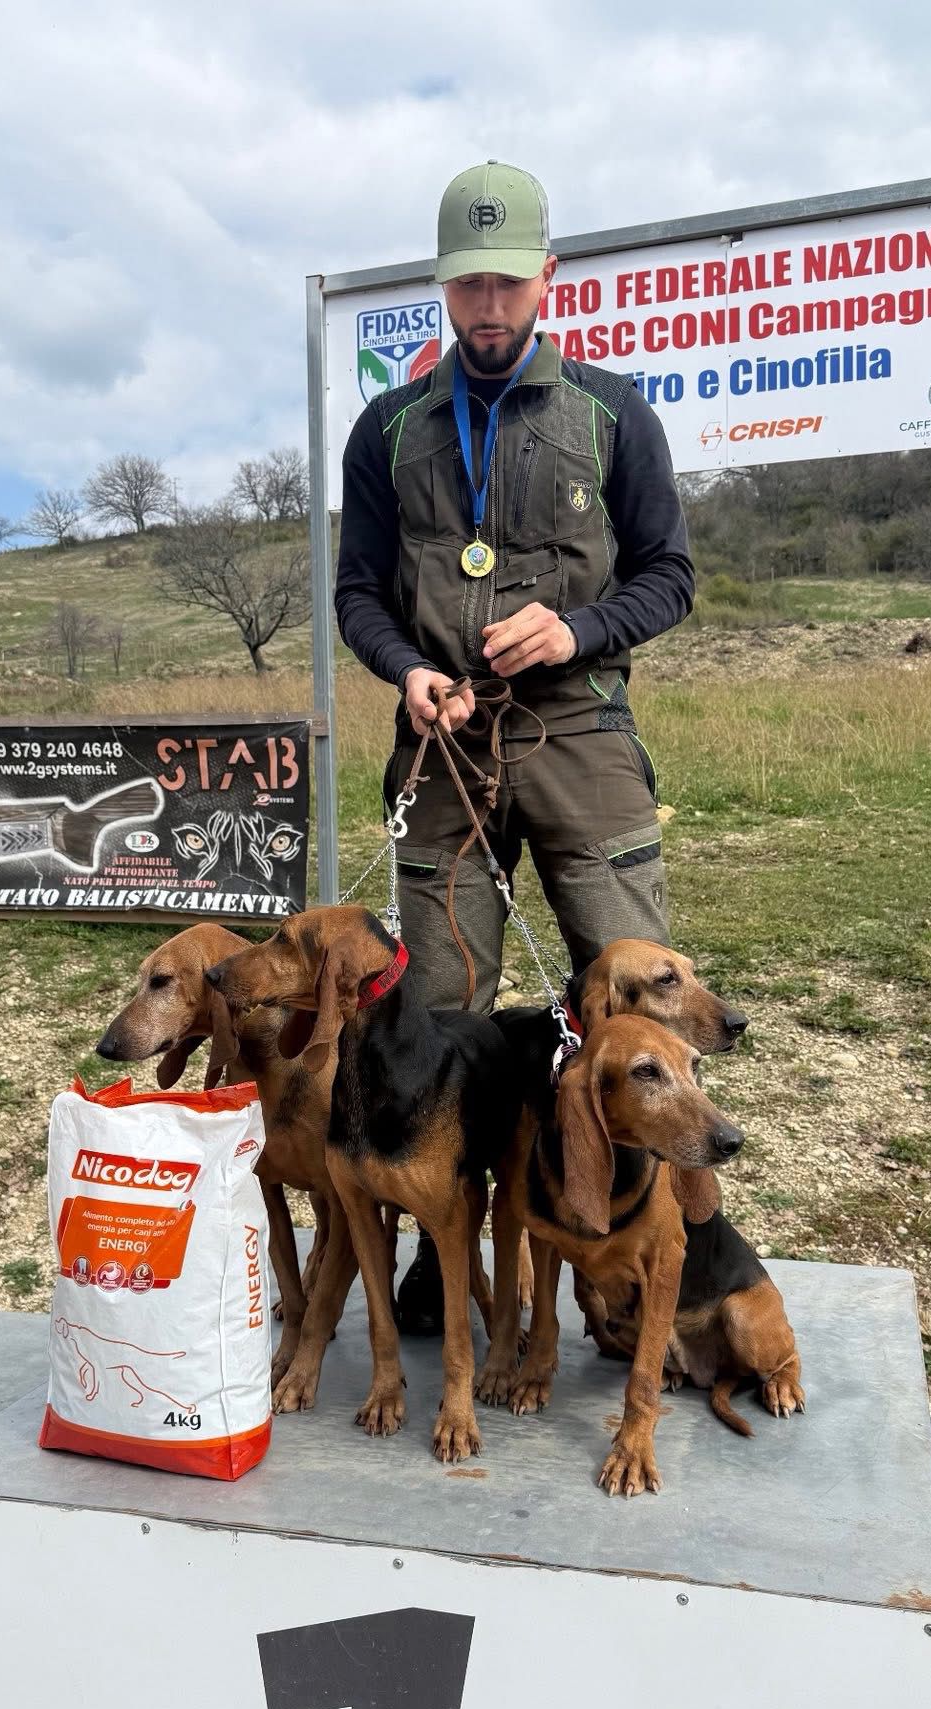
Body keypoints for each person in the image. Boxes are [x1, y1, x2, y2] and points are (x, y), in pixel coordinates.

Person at [335, 160, 695, 1331]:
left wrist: (581, 626)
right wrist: (407, 670)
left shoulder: (611, 413)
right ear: (439, 288)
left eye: (504, 281)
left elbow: (670, 577)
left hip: (581, 729)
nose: (485, 307)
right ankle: (448, 1261)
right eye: (463, 286)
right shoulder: (388, 428)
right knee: (437, 1015)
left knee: (634, 1005)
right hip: (442, 745)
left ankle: (649, 1254)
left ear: (548, 274)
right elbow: (358, 592)